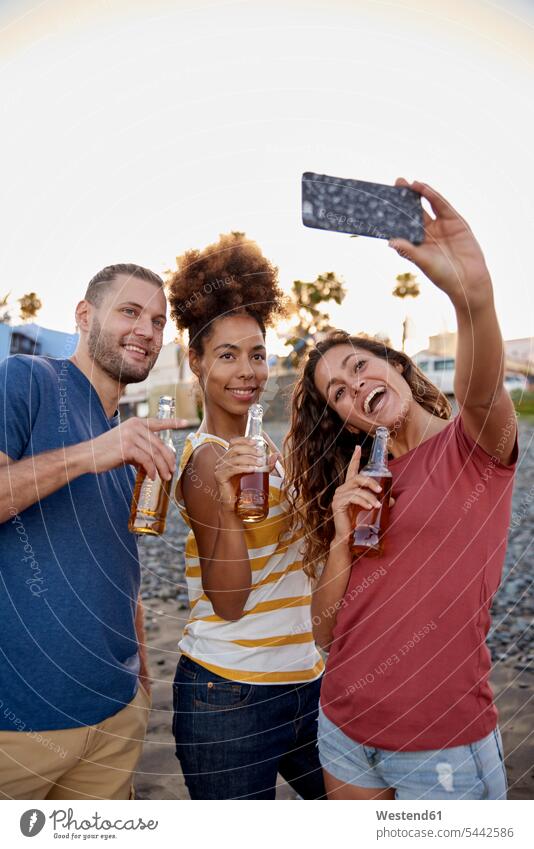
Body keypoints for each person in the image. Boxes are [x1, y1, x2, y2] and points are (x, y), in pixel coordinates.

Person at [284, 180, 517, 800]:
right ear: (346, 418)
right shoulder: (360, 483)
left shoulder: (473, 447)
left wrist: (472, 297)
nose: (353, 386)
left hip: (439, 740)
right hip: (342, 728)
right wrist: (338, 540)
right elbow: (324, 634)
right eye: (337, 391)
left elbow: (479, 389)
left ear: (395, 365)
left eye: (359, 366)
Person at [0, 263, 179, 800]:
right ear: (84, 315)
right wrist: (90, 455)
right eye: (130, 311)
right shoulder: (25, 379)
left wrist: (142, 678)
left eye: (157, 320)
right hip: (18, 723)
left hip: (116, 717)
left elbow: (120, 566)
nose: (146, 330)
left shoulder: (128, 441)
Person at [167, 233, 325, 800]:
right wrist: (232, 509)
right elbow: (229, 600)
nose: (248, 370)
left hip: (305, 680)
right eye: (227, 355)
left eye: (257, 353)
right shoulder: (207, 459)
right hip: (230, 694)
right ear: (196, 361)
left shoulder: (265, 451)